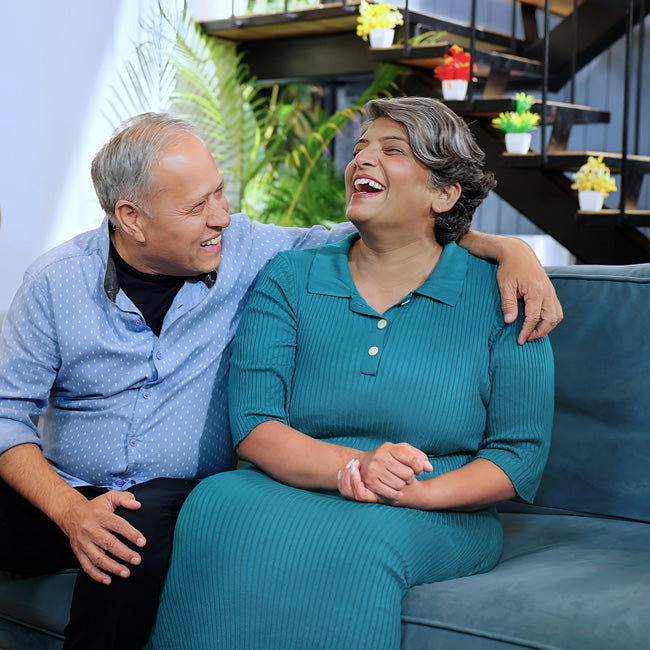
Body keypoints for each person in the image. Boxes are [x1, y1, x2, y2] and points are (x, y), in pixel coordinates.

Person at [0, 111, 559, 650]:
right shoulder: (56, 282)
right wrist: (71, 510)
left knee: (128, 539)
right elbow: (6, 415)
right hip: (62, 484)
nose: (221, 216)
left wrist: (512, 250)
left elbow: (402, 233)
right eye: (198, 206)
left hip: (169, 493)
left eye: (220, 193)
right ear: (131, 217)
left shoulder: (255, 251)